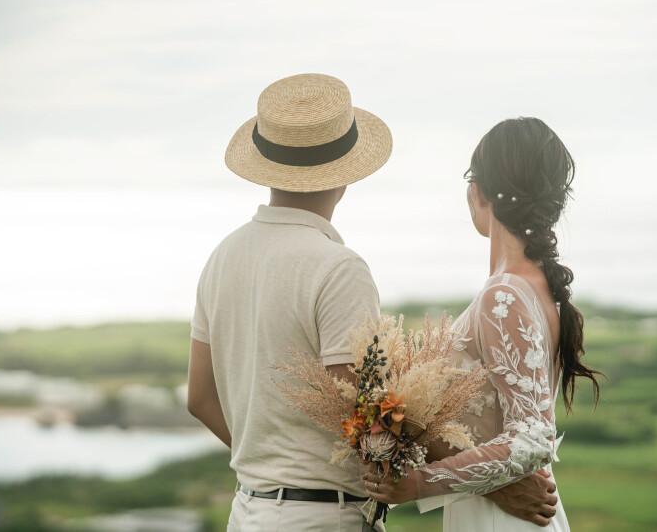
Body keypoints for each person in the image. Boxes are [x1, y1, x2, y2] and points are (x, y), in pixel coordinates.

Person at [187, 72, 567, 531]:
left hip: (247, 511)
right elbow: (372, 416)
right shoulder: (337, 267)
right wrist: (497, 482)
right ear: (346, 171)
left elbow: (200, 398)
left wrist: (269, 470)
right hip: (323, 517)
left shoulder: (220, 258)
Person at [364, 117, 602, 531]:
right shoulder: (537, 285)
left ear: (477, 193)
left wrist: (418, 483)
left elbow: (532, 439)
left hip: (499, 520)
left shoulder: (503, 296)